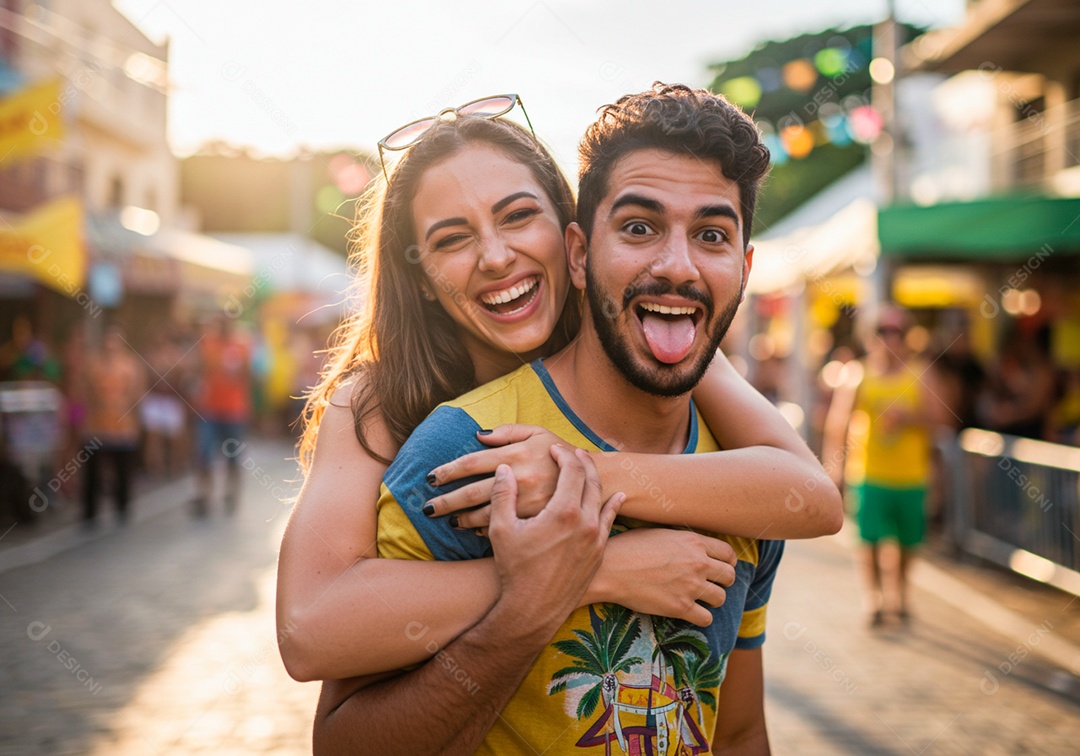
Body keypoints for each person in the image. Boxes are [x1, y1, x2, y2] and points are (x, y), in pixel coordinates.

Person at [277, 92, 842, 692]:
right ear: (419, 280)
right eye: (451, 239)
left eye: (518, 216)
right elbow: (309, 628)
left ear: (572, 236)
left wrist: (580, 476)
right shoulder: (375, 399)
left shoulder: (648, 338)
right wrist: (592, 571)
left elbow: (810, 496)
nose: (496, 257)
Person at [823, 305, 944, 628]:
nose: (890, 339)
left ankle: (900, 595)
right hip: (868, 473)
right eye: (883, 332)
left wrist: (909, 419)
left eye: (898, 333)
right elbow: (838, 424)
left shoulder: (920, 373)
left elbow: (939, 419)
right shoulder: (857, 374)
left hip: (910, 475)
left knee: (908, 542)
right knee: (869, 541)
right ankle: (874, 598)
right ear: (872, 337)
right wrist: (832, 467)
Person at [81, 325, 145, 525]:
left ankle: (122, 506)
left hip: (123, 427)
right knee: (92, 472)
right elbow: (85, 393)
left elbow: (137, 394)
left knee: (123, 469)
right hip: (96, 426)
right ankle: (90, 511)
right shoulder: (93, 365)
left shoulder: (131, 366)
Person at [192, 316, 252, 516]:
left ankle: (231, 491)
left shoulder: (242, 345)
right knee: (204, 453)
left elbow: (248, 376)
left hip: (233, 410)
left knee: (233, 456)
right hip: (210, 409)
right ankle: (204, 494)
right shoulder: (207, 344)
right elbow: (199, 371)